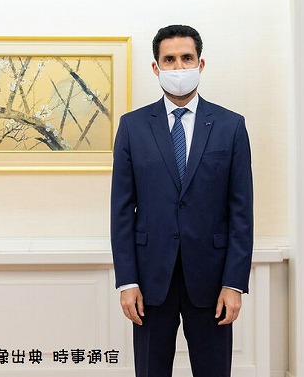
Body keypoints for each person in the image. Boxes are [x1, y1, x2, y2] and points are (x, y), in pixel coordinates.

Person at [110, 25, 253, 377]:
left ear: (200, 64)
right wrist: (127, 281)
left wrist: (234, 283)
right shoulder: (132, 127)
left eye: (186, 58)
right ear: (156, 67)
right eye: (169, 60)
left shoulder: (231, 126)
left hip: (212, 278)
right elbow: (121, 211)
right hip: (150, 279)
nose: (178, 67)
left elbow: (241, 212)